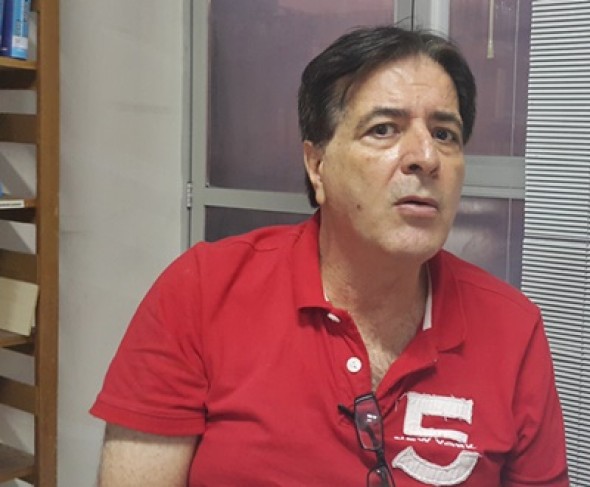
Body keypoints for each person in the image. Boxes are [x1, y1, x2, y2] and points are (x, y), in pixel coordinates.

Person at [91, 25, 569, 486]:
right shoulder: (202, 292)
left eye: (445, 134)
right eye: (384, 129)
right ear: (317, 165)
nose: (426, 157)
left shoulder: (511, 328)